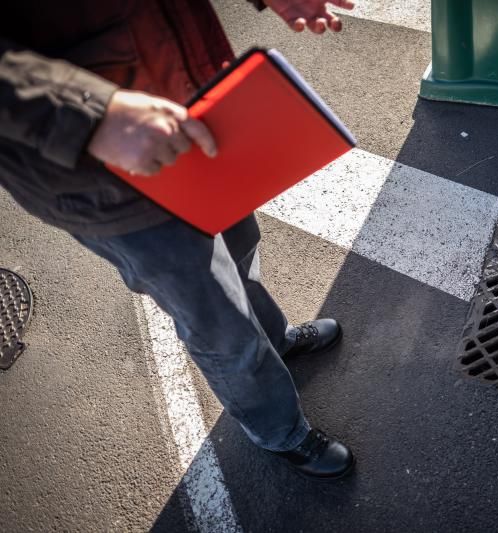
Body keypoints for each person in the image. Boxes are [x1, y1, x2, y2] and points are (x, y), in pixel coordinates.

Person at [0, 0, 356, 480]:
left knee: (241, 250)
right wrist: (87, 112)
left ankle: (276, 342)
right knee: (219, 319)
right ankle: (280, 431)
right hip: (105, 175)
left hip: (194, 116)